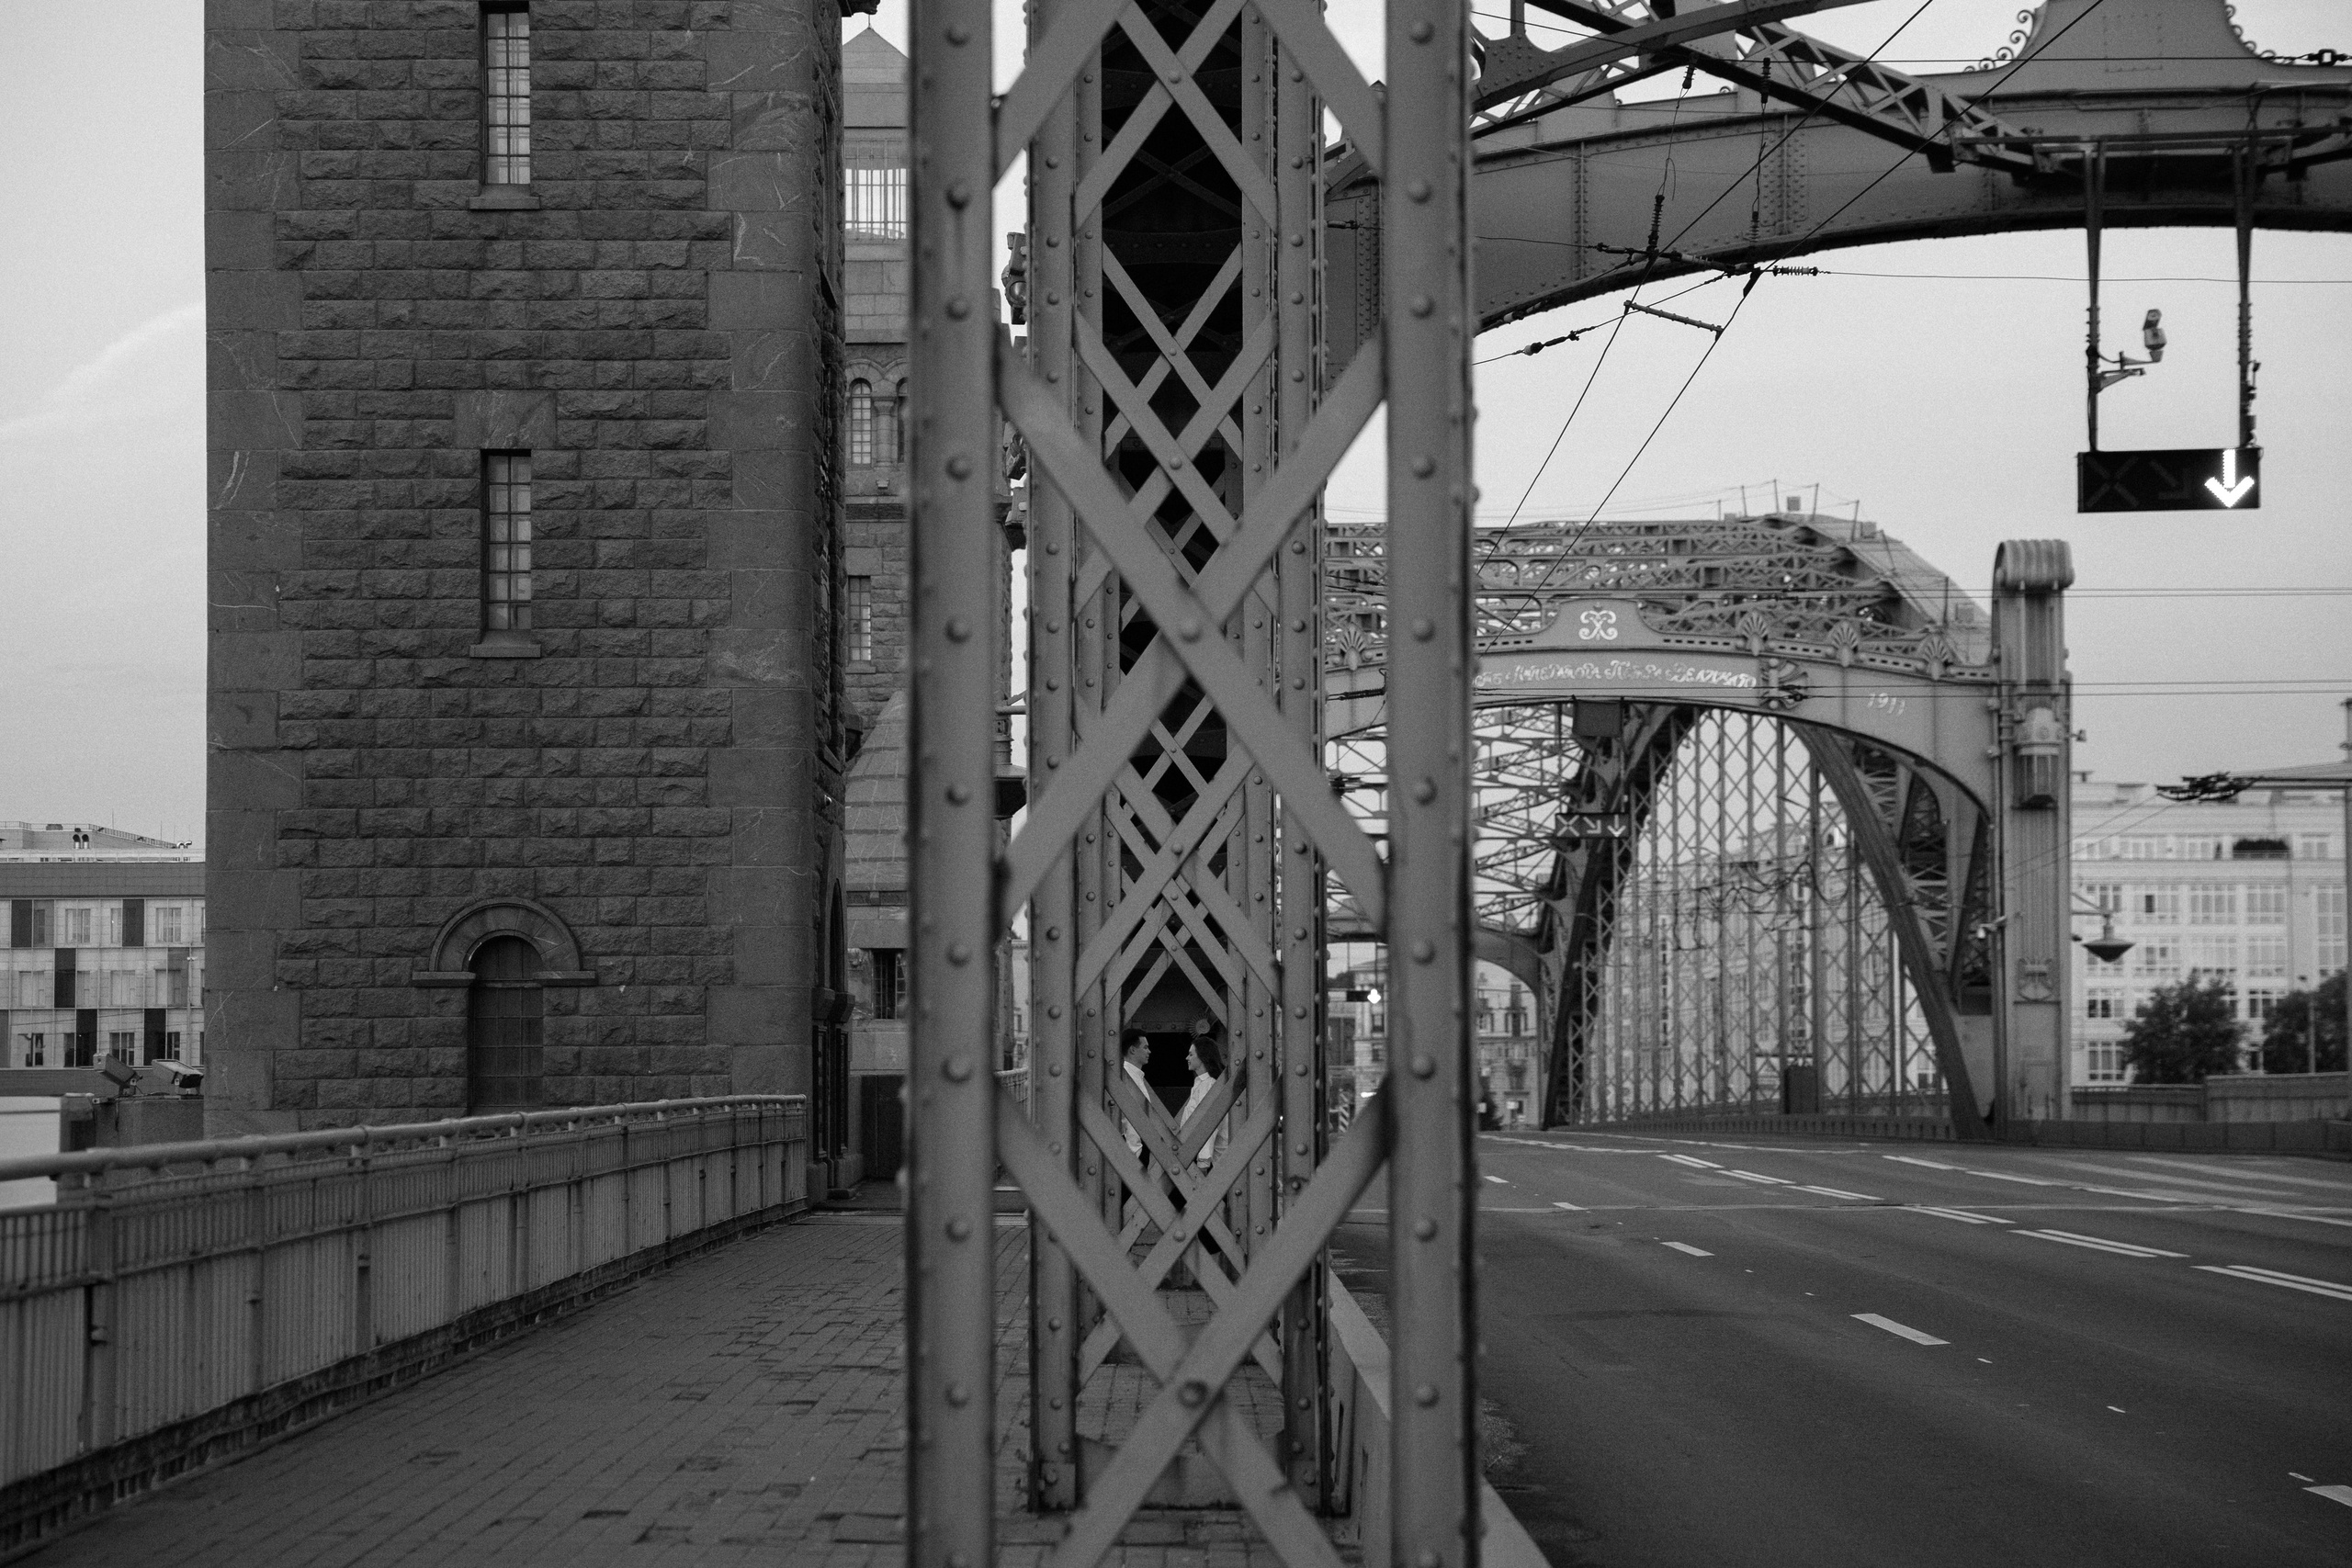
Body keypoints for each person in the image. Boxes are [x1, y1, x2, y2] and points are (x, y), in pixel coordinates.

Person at [1119, 1027, 1154, 1156]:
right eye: (1145, 1047)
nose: (1149, 1051)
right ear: (1132, 1050)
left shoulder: (1132, 1075)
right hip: (1134, 1148)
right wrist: (1135, 1151)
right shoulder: (1129, 1077)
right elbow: (1131, 1117)